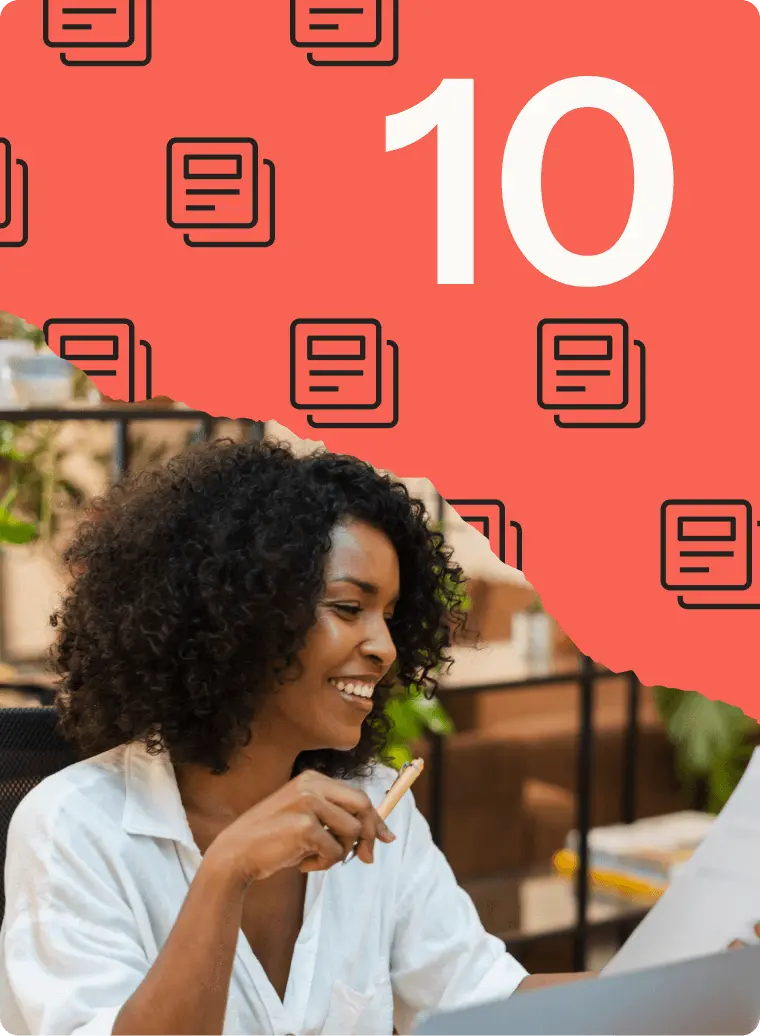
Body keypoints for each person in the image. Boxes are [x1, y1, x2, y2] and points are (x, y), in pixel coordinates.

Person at [0, 438, 614, 1035]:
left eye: (390, 617)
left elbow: (479, 1001)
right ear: (240, 615)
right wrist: (227, 871)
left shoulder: (375, 803)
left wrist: (664, 978)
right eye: (348, 608)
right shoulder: (74, 827)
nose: (385, 647)